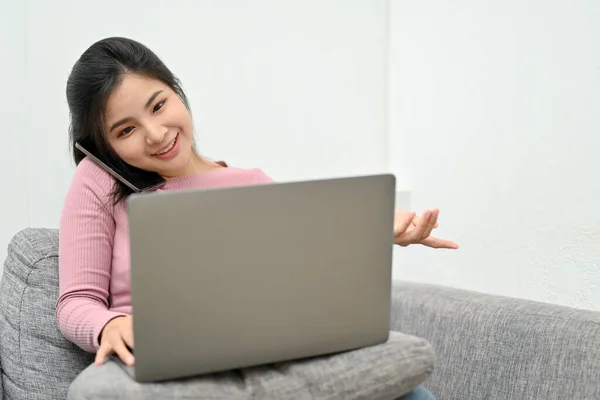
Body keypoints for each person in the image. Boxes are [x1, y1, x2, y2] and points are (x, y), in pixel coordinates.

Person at [58, 36, 458, 400]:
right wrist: (108, 326)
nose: (156, 134)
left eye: (159, 105)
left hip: (266, 356)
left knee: (413, 394)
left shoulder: (254, 184)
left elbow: (302, 282)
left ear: (176, 90)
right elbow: (76, 302)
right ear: (104, 146)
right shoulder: (100, 183)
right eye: (126, 130)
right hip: (165, 365)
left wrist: (371, 231)